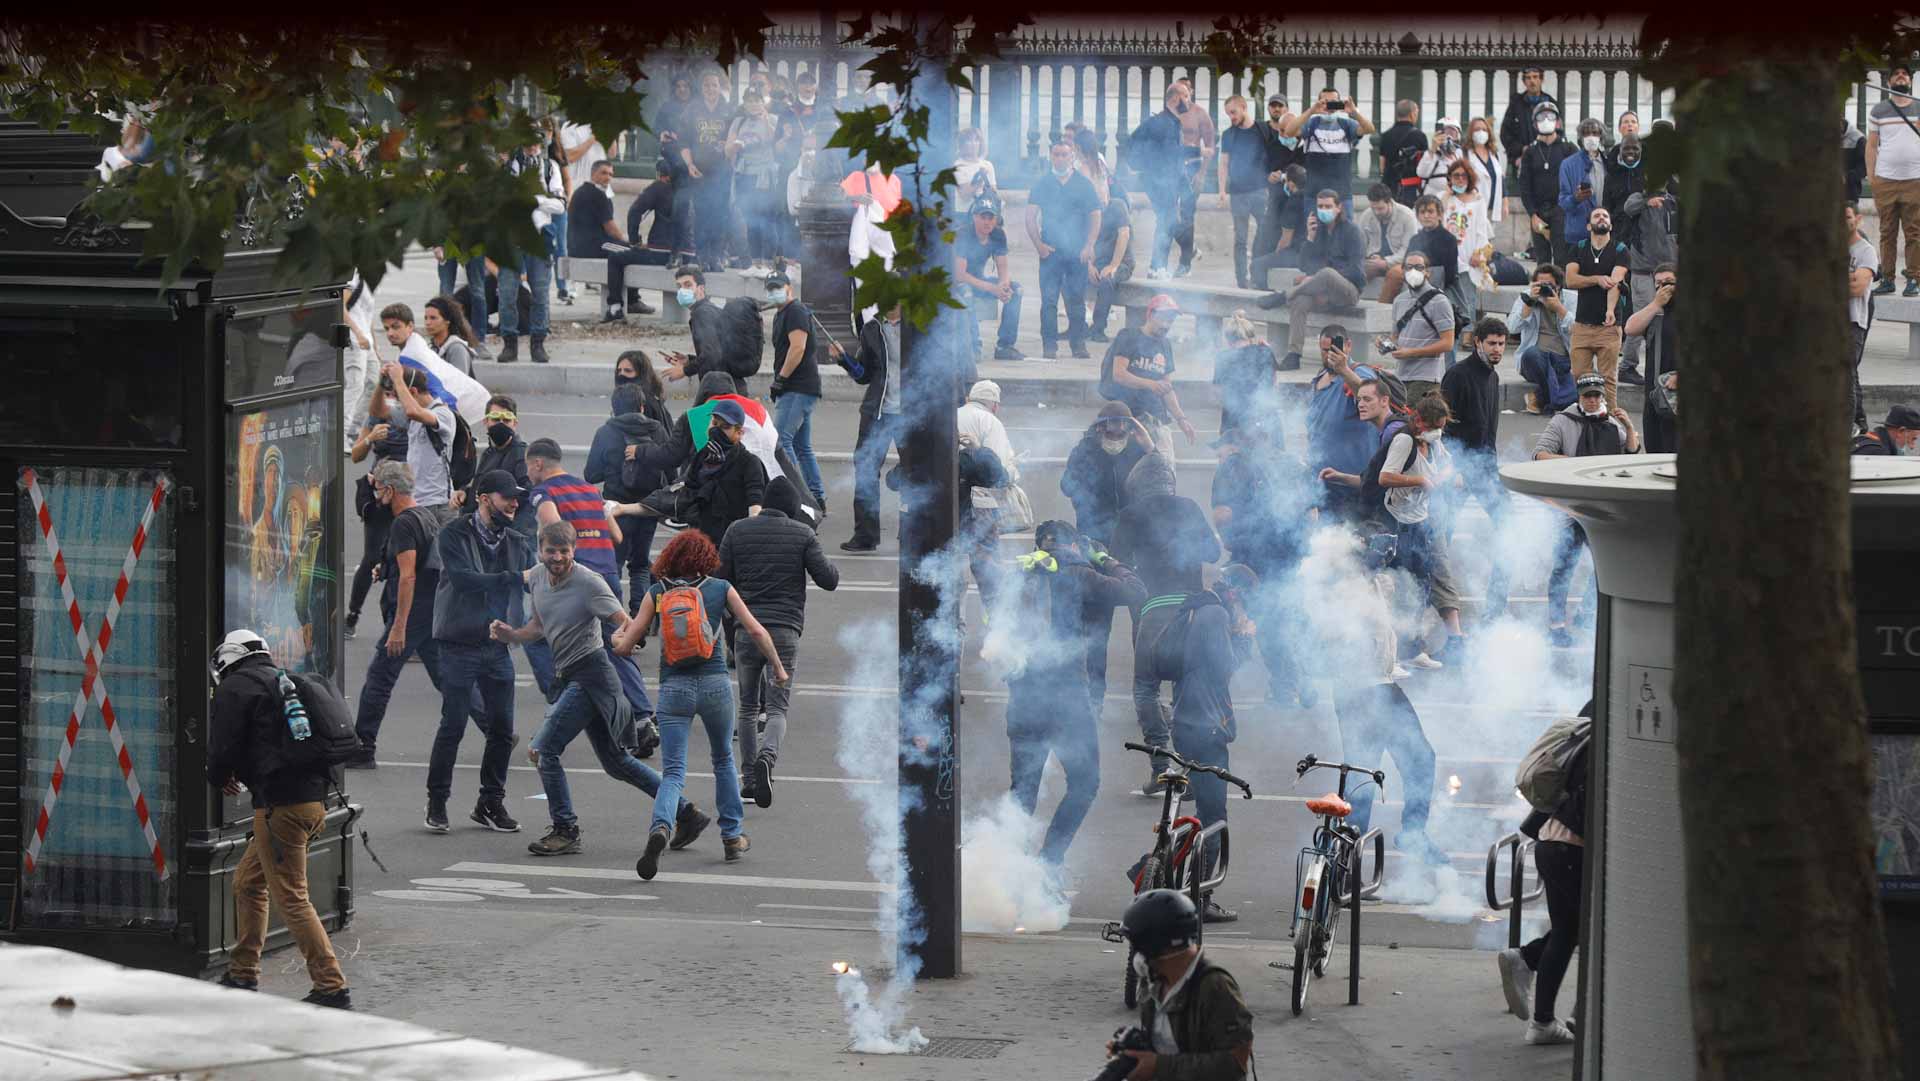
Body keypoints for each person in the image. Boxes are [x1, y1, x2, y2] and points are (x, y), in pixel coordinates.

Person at [494, 520, 708, 857]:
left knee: (544, 750)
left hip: (592, 674)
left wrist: (626, 640)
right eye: (552, 551)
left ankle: (565, 829)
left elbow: (625, 620)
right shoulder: (536, 577)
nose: (558, 558)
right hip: (570, 675)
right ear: (541, 549)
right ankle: (687, 813)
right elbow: (538, 625)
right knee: (616, 763)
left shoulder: (588, 583)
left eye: (565, 551)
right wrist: (513, 635)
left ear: (574, 551)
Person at [614, 530, 790, 878]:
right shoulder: (720, 588)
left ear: (669, 559)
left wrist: (615, 637)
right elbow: (755, 630)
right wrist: (778, 668)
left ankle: (660, 829)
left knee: (674, 771)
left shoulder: (658, 593)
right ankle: (732, 836)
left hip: (674, 689)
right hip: (714, 687)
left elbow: (625, 647)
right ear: (706, 558)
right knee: (723, 760)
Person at [207, 630, 352, 1009]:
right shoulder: (282, 680)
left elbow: (223, 747)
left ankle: (331, 985)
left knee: (292, 898)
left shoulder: (235, 688)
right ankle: (243, 971)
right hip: (312, 803)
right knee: (248, 883)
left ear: (227, 659)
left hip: (280, 809)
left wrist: (218, 776)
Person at [1003, 521, 1143, 868]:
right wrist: (1106, 559)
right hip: (1066, 698)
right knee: (1085, 781)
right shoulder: (1080, 572)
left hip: (1023, 696)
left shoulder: (1021, 574)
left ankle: (1008, 869)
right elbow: (1136, 591)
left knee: (1023, 791)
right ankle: (1049, 862)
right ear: (1076, 546)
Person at [716, 469, 837, 806]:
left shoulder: (737, 530)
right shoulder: (802, 534)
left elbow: (719, 576)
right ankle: (769, 758)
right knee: (778, 707)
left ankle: (750, 779)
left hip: (745, 629)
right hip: (784, 631)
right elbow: (829, 579)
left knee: (748, 705)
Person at [426, 469, 533, 834]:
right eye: (508, 497)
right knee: (453, 725)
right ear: (485, 499)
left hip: (497, 646)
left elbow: (541, 579)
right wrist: (515, 578)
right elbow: (464, 579)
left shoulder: (516, 541)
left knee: (502, 730)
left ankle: (490, 802)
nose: (515, 503)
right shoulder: (453, 534)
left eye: (517, 497)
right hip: (457, 645)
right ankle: (437, 802)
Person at [1114, 451, 1223, 789]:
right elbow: (1214, 554)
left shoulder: (1130, 514)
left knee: (1146, 687)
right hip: (1192, 612)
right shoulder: (1188, 507)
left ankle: (1161, 765)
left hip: (1155, 608)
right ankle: (1189, 768)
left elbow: (1117, 561)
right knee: (1186, 688)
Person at [344, 461, 453, 769]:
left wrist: (398, 628)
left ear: (390, 490)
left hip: (411, 613)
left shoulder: (403, 523)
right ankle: (495, 727)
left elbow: (409, 577)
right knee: (445, 677)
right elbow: (412, 565)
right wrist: (385, 568)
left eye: (378, 490)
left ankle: (364, 747)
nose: (376, 497)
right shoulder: (424, 516)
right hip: (428, 610)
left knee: (380, 678)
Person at [1497, 706, 1590, 1046]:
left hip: (1551, 841)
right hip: (1574, 847)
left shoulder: (1592, 713)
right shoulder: (1614, 728)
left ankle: (1543, 1021)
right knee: (1593, 931)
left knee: (1569, 930)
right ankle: (1582, 1013)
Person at [1534, 374, 1641, 645]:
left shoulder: (1612, 423)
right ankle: (1556, 626)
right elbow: (1540, 455)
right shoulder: (1563, 421)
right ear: (1579, 397)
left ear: (1603, 397)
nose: (1592, 401)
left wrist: (1629, 427)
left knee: (1606, 569)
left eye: (1596, 396)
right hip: (1570, 511)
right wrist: (1576, 465)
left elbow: (1632, 456)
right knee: (1563, 569)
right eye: (1587, 396)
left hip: (1604, 511)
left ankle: (1585, 615)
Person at [1109, 889, 1254, 1080]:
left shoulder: (1215, 987)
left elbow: (1234, 1064)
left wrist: (1158, 1067)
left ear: (1158, 945)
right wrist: (1134, 1049)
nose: (1136, 955)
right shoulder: (1153, 981)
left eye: (1138, 945)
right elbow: (1167, 1044)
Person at [1439, 316, 1514, 620]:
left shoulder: (1493, 377)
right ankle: (1433, 603)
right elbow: (1441, 427)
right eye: (1492, 343)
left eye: (1502, 343)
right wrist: (1452, 468)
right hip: (1458, 471)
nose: (1497, 349)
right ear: (1478, 342)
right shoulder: (1457, 375)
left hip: (1485, 469)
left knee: (1511, 530)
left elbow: (1488, 430)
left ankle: (1496, 608)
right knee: (1441, 539)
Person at [1263, 190, 1366, 372]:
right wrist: (1310, 239)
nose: (1323, 210)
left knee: (1326, 273)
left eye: (1328, 206)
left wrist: (1321, 277)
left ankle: (1284, 295)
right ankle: (1294, 355)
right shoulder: (1319, 231)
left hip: (1347, 292)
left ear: (1338, 207)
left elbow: (1357, 272)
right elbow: (1304, 265)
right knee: (1300, 300)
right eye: (1320, 206)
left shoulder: (1352, 231)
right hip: (1322, 292)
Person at [586, 383, 671, 599]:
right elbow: (670, 467)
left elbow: (591, 475)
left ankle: (616, 621)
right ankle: (639, 623)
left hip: (615, 509)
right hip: (647, 507)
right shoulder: (657, 430)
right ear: (642, 407)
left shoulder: (605, 432)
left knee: (613, 563)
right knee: (640, 566)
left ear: (614, 408)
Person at [833, 304, 904, 552]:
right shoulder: (872, 328)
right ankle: (865, 535)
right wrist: (844, 359)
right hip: (878, 411)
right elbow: (864, 374)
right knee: (865, 469)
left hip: (911, 412)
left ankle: (912, 530)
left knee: (917, 471)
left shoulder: (919, 325)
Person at [344, 392, 412, 640]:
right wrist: (370, 438)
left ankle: (398, 621)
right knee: (372, 556)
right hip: (379, 494)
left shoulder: (413, 416)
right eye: (387, 391)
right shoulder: (375, 418)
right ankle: (352, 614)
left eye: (395, 390)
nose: (391, 397)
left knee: (405, 558)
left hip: (406, 494)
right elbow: (356, 455)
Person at [1027, 139, 1103, 360]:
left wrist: (1089, 245)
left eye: (1064, 155)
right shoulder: (1043, 183)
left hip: (1076, 253)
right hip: (1051, 252)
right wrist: (1039, 245)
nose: (1060, 158)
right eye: (1056, 154)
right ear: (1051, 156)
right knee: (1049, 301)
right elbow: (1030, 216)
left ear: (1072, 157)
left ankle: (1078, 345)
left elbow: (1095, 215)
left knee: (1076, 300)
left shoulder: (1083, 184)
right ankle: (1049, 346)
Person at [568, 159, 662, 324]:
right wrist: (630, 243)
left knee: (627, 251)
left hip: (582, 245)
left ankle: (632, 299)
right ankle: (631, 301)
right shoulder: (596, 194)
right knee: (630, 252)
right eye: (603, 173)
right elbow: (610, 227)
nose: (608, 177)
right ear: (593, 174)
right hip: (591, 245)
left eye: (611, 174)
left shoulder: (582, 191)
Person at [1615, 139, 1678, 381]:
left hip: (1669, 273)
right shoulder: (1638, 199)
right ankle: (1627, 365)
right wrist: (1646, 199)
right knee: (1642, 317)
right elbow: (1628, 207)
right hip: (1643, 273)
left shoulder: (1673, 203)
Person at [1303, 327, 1381, 520]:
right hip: (1323, 483)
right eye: (1324, 350)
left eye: (1334, 349)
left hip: (1352, 482)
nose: (1329, 355)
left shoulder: (1358, 372)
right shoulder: (1319, 379)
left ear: (1348, 346)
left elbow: (1369, 396)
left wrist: (1344, 370)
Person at [764, 270, 827, 507]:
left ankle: (798, 499)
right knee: (802, 447)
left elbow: (797, 348)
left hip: (797, 387)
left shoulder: (795, 311)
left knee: (782, 442)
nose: (774, 291)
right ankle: (816, 497)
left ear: (789, 287)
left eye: (778, 287)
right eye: (770, 288)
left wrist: (780, 379)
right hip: (800, 387)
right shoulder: (783, 313)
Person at [957, 380, 1019, 613]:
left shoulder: (951, 414)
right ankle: (997, 624)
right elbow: (998, 470)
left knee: (951, 570)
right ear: (994, 405)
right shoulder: (990, 422)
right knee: (989, 570)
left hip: (950, 501)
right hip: (981, 506)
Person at [498, 142, 561, 364]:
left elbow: (560, 205)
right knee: (506, 294)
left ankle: (538, 343)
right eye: (527, 143)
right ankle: (509, 343)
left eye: (536, 143)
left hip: (540, 239)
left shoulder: (549, 167)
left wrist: (536, 200)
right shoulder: (508, 166)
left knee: (541, 295)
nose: (533, 148)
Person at [1565, 206, 1630, 412]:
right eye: (1596, 215)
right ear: (1588, 225)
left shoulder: (1620, 250)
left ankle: (1610, 424)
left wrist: (1610, 310)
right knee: (1580, 378)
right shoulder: (1578, 248)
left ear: (1610, 224)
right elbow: (1570, 280)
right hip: (1582, 324)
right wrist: (1596, 279)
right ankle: (1584, 421)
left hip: (1608, 327)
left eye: (1605, 215)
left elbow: (1615, 283)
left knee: (1607, 380)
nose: (1601, 217)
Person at [370, 358, 456, 510]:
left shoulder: (443, 413)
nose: (397, 402)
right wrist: (381, 383)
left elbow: (412, 410)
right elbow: (378, 411)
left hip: (437, 503)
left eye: (398, 396)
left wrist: (398, 378)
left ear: (413, 392)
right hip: (416, 500)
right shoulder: (413, 415)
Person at [1062, 402, 1150, 549]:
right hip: (1093, 532)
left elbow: (1160, 477)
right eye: (1110, 434)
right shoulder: (1084, 451)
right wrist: (1087, 450)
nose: (1115, 440)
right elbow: (1067, 487)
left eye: (1120, 435)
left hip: (1130, 532)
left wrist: (1148, 446)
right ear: (1099, 430)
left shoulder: (1137, 452)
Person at [1130, 84, 1195, 280]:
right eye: (1185, 96)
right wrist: (1199, 152)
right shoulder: (1165, 123)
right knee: (1167, 221)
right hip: (1159, 180)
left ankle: (1158, 266)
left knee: (1166, 221)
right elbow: (1170, 154)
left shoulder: (1171, 122)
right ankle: (1158, 267)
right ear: (1174, 99)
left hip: (1162, 178)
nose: (1189, 100)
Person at [674, 68, 737, 271]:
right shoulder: (692, 110)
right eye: (707, 85)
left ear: (720, 88)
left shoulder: (729, 110)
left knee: (720, 214)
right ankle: (702, 257)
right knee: (701, 214)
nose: (711, 88)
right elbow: (683, 142)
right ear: (701, 88)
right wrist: (690, 164)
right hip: (699, 172)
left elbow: (736, 138)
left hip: (722, 171)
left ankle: (717, 257)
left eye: (714, 85)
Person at [1284, 87, 1376, 215]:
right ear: (1319, 102)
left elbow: (1370, 129)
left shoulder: (1347, 124)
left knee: (1345, 233)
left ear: (1339, 103)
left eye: (1334, 102)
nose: (1329, 106)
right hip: (1314, 195)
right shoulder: (1311, 124)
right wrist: (1311, 111)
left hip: (1342, 196)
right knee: (1313, 232)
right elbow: (1289, 131)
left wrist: (1354, 112)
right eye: (1325, 102)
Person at [955, 197, 1026, 360]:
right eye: (983, 217)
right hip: (957, 283)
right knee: (966, 292)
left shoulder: (998, 234)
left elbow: (1003, 268)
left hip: (979, 280)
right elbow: (960, 275)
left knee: (1017, 290)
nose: (987, 222)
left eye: (991, 218)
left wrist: (1004, 286)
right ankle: (973, 347)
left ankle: (1005, 346)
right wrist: (992, 288)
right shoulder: (963, 234)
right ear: (974, 217)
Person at [1871, 64, 1920, 297]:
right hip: (1886, 180)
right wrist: (1873, 178)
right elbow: (1871, 146)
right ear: (1889, 82)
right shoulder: (1879, 110)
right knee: (1886, 232)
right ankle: (1887, 279)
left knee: (1914, 233)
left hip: (1915, 180)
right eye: (1896, 74)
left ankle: (1914, 279)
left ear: (1910, 81)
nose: (1901, 76)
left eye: (1905, 74)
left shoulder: (1919, 108)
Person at [1381, 249, 1455, 402]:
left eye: (1419, 267)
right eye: (1408, 267)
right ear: (1402, 271)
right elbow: (1395, 337)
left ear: (1427, 272)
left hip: (1426, 378)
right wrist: (1384, 344)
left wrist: (1412, 352)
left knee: (1416, 423)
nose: (1413, 271)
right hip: (1401, 376)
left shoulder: (1439, 301)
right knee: (1402, 423)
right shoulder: (1399, 300)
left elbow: (1448, 343)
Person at [1623, 263, 1680, 454]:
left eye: (1669, 282)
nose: (1663, 287)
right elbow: (1630, 328)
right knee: (1654, 452)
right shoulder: (1656, 312)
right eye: (1659, 283)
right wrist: (1656, 304)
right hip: (1655, 395)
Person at [659, 267, 743, 396]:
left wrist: (684, 370)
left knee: (692, 416)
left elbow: (711, 356)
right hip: (728, 386)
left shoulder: (701, 314)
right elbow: (717, 353)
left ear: (701, 289)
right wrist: (690, 360)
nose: (682, 291)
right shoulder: (708, 309)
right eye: (679, 286)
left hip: (721, 390)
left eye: (688, 285)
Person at [1218, 95, 1270, 289]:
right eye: (1228, 114)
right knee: (1240, 239)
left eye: (1233, 112)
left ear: (1243, 107)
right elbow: (1224, 163)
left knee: (1265, 232)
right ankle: (1242, 280)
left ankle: (1259, 274)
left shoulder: (1262, 130)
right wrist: (1222, 190)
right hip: (1238, 193)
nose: (1231, 117)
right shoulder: (1228, 134)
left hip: (1260, 190)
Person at [1510, 264, 1577, 416]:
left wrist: (1559, 309)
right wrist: (1528, 305)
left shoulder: (1572, 299)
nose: (1544, 289)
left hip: (1563, 361)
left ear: (1559, 286)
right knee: (1532, 354)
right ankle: (1556, 400)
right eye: (1540, 285)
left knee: (1580, 389)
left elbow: (1579, 330)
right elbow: (1512, 328)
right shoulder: (1527, 297)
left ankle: (1539, 398)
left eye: (1549, 285)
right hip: (1535, 361)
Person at [725, 89, 782, 266]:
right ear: (744, 103)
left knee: (767, 221)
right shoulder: (738, 121)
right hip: (745, 175)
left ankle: (769, 263)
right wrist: (735, 146)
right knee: (750, 222)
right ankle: (755, 263)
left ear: (763, 101)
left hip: (765, 176)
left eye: (757, 100)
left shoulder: (774, 119)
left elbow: (775, 142)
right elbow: (728, 151)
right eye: (749, 101)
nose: (753, 104)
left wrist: (764, 119)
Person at [1518, 101, 1575, 268]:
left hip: (1561, 210)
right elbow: (1524, 186)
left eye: (1550, 116)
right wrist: (1532, 214)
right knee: (1542, 259)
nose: (1546, 120)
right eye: (1541, 117)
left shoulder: (1568, 148)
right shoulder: (1530, 152)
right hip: (1539, 212)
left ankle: (1562, 292)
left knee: (1562, 257)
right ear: (1535, 123)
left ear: (1557, 122)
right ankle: (1542, 292)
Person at [1440, 159, 1492, 334]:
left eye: (1463, 175)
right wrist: (1447, 195)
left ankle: (1468, 333)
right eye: (1456, 176)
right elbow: (1437, 220)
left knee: (1467, 297)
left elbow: (1481, 231)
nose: (1460, 179)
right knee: (1446, 298)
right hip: (1447, 257)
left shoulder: (1478, 201)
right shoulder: (1445, 198)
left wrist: (1479, 253)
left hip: (1469, 256)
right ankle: (1448, 332)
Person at [1379, 194, 1458, 306]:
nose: (1426, 216)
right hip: (1412, 286)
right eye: (1422, 212)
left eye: (1430, 212)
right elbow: (1405, 266)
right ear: (1417, 216)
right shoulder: (1415, 239)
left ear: (1440, 215)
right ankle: (1382, 310)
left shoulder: (1448, 239)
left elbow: (1450, 275)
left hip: (1438, 290)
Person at [1211, 310, 1280, 435]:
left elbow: (1218, 392)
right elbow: (1274, 384)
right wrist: (1268, 350)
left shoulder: (1223, 357)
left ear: (1228, 339)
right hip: (1265, 419)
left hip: (1234, 421)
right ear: (1251, 336)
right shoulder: (1265, 352)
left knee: (1233, 453)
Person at [1845, 204, 1879, 434]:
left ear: (1857, 219)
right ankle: (1860, 424)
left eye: (1846, 217)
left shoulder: (1865, 251)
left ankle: (1847, 426)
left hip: (1853, 322)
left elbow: (1857, 286)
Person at [1557, 118, 1609, 255]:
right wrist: (1576, 198)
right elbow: (1563, 202)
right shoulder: (1568, 165)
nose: (1591, 137)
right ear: (1581, 138)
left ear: (1601, 137)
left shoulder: (1608, 163)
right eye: (1586, 134)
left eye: (1595, 133)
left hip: (1605, 233)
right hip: (1578, 234)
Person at [1088, 192, 1135, 344]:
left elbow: (1124, 235)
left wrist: (1113, 265)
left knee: (1106, 281)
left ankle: (1098, 329)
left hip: (1121, 262)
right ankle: (1076, 327)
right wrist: (1089, 265)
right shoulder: (1087, 206)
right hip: (1096, 262)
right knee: (1065, 277)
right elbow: (1083, 237)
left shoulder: (1117, 206)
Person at [1359, 183, 1419, 289]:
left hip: (1402, 263)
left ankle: (1383, 305)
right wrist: (1370, 256)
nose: (1376, 212)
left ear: (1390, 202)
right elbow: (1359, 246)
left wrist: (1385, 262)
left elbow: (1409, 251)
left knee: (1394, 273)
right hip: (1374, 262)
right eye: (1373, 208)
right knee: (1356, 269)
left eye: (1380, 208)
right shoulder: (1366, 216)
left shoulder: (1407, 216)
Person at [626, 157, 681, 260]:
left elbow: (634, 212)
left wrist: (634, 242)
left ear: (659, 174)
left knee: (615, 258)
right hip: (689, 252)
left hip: (661, 248)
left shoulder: (658, 187)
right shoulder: (690, 189)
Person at [1378, 98, 1428, 208]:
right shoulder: (1420, 136)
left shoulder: (1386, 135)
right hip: (1411, 186)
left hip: (1389, 185)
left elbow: (1382, 164)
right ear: (1412, 114)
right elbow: (1425, 163)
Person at [421, 295, 479, 376]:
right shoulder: (431, 347)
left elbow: (459, 383)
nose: (428, 323)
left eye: (433, 318)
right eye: (426, 318)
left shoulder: (457, 349)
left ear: (447, 321)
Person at [1464, 116, 1506, 224]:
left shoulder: (1494, 154)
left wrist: (1504, 202)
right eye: (1477, 129)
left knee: (1489, 240)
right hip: (1472, 206)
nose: (1481, 132)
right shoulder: (1465, 154)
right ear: (1471, 133)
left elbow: (1500, 178)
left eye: (1484, 129)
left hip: (1493, 208)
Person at [1414, 116, 1467, 201]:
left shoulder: (1459, 155)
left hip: (1454, 204)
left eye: (1452, 133)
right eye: (1445, 133)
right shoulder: (1432, 155)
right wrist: (1432, 149)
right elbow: (1421, 173)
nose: (1449, 137)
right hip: (1433, 204)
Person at [1853, 402, 1920, 455]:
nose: (1912, 447)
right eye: (1913, 439)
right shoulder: (1878, 452)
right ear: (1901, 431)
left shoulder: (1871, 441)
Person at [1074, 127, 1115, 207]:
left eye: (1075, 148)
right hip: (1105, 205)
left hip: (1094, 211)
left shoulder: (1083, 169)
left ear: (1078, 148)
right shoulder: (1100, 163)